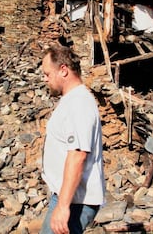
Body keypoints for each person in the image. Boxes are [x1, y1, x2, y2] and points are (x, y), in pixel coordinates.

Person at [40, 44, 105, 234]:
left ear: (63, 70)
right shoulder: (72, 100)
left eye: (47, 74)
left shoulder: (79, 103)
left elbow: (78, 155)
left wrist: (62, 206)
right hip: (70, 197)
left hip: (76, 201)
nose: (44, 79)